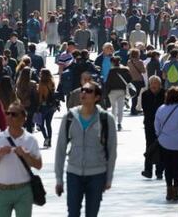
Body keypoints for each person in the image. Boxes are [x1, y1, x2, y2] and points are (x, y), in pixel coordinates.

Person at [55, 81, 117, 217]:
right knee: (73, 213)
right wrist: (59, 178)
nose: (84, 93)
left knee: (92, 214)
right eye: (83, 90)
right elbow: (60, 149)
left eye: (89, 91)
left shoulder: (106, 119)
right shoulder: (69, 117)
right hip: (74, 173)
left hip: (97, 174)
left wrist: (109, 178)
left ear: (97, 97)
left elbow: (112, 151)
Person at [0, 101, 42, 217]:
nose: (9, 116)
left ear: (23, 118)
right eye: (7, 113)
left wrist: (26, 155)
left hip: (23, 190)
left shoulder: (30, 140)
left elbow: (38, 165)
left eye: (14, 114)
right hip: (1, 190)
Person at [141, 76, 165, 179]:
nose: (154, 85)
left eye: (156, 83)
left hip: (163, 124)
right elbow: (146, 109)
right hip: (149, 124)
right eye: (152, 83)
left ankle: (159, 171)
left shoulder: (165, 93)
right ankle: (148, 170)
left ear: (160, 84)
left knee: (162, 146)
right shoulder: (145, 94)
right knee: (149, 146)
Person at [105, 56, 132, 131]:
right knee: (120, 108)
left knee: (114, 107)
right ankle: (119, 123)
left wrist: (106, 92)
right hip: (122, 91)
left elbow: (108, 82)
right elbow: (130, 79)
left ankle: (113, 122)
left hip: (112, 91)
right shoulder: (125, 69)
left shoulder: (111, 71)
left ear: (112, 62)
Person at [38, 69, 57, 148]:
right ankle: (50, 141)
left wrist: (38, 106)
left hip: (44, 105)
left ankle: (46, 138)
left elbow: (40, 96)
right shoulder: (52, 82)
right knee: (49, 124)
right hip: (52, 106)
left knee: (41, 124)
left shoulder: (41, 84)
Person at [16, 67, 38, 133]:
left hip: (21, 105)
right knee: (29, 122)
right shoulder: (33, 83)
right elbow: (35, 96)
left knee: (22, 122)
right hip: (30, 105)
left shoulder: (18, 83)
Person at [127, 48, 146, 115]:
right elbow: (143, 71)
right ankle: (133, 109)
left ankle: (133, 108)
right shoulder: (140, 62)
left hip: (132, 80)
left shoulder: (129, 62)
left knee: (133, 95)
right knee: (136, 95)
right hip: (139, 80)